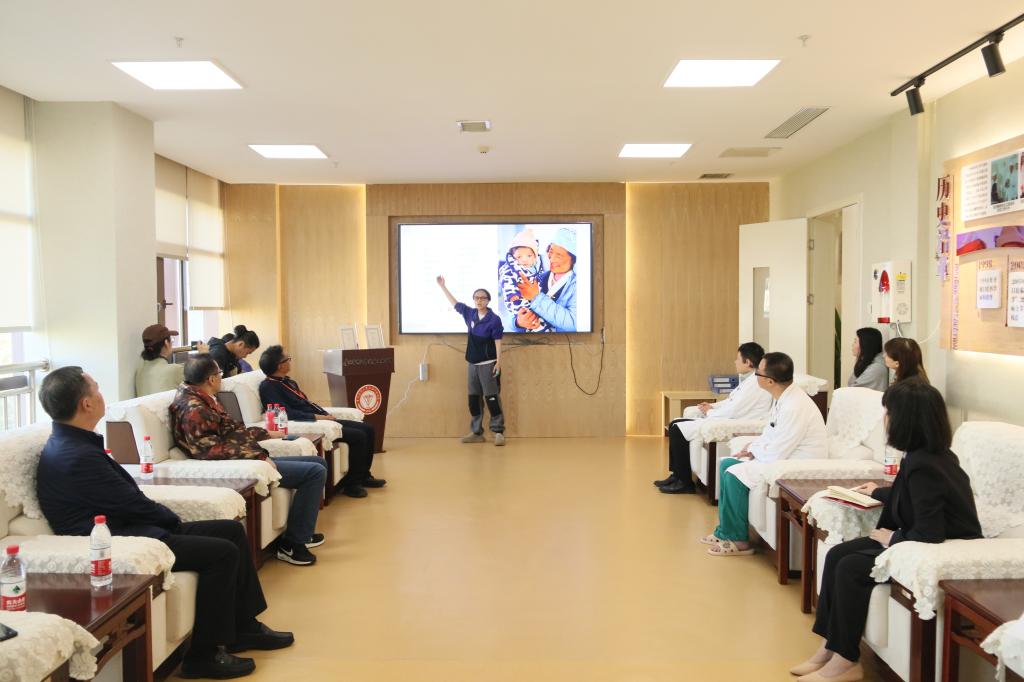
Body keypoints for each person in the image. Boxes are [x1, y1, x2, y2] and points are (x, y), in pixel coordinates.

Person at [36, 367, 293, 680]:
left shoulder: (75, 443)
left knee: (230, 531)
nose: (102, 395)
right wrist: (171, 520)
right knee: (222, 553)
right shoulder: (76, 455)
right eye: (96, 389)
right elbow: (130, 503)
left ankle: (243, 628)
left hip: (131, 525)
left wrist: (168, 519)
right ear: (86, 404)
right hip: (121, 539)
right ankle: (203, 655)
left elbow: (125, 499)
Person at [790, 379, 981, 682]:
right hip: (920, 536)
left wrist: (892, 538)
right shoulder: (926, 455)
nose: (885, 419)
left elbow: (930, 531)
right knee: (838, 555)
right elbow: (915, 496)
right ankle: (830, 646)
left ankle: (846, 660)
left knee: (850, 566)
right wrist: (878, 492)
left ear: (906, 419)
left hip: (940, 547)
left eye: (888, 412)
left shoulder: (925, 465)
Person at [169, 354, 327, 566]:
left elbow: (232, 431)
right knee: (315, 472)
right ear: (211, 379)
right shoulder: (194, 408)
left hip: (244, 455)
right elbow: (208, 451)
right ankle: (292, 544)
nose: (222, 378)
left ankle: (301, 531)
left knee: (318, 463)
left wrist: (265, 434)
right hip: (238, 465)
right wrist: (258, 457)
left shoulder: (203, 398)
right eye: (220, 374)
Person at [702, 352, 827, 557]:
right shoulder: (784, 397)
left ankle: (738, 540)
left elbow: (779, 450)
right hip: (784, 454)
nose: (755, 376)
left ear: (769, 381)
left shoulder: (795, 405)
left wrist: (755, 451)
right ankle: (725, 531)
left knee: (733, 474)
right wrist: (752, 447)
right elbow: (771, 432)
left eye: (758, 372)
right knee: (726, 464)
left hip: (796, 462)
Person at [257, 345, 385, 497]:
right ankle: (352, 484)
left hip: (320, 418)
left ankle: (364, 476)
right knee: (359, 436)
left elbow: (305, 402)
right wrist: (319, 417)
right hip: (311, 422)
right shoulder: (268, 387)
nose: (290, 361)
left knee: (368, 428)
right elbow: (286, 413)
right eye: (288, 359)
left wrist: (324, 415)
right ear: (280, 365)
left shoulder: (288, 382)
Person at [655, 342, 771, 494]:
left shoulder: (755, 384)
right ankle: (676, 475)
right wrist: (712, 406)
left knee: (676, 429)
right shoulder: (749, 381)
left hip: (733, 421)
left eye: (738, 359)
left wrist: (710, 412)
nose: (735, 362)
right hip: (726, 417)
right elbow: (731, 402)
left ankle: (684, 482)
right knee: (674, 424)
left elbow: (734, 410)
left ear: (748, 362)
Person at [435, 276, 506, 446]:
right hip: (472, 364)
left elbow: (498, 341)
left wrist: (498, 361)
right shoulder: (470, 313)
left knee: (492, 398)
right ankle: (476, 432)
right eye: (476, 298)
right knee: (474, 399)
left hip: (488, 364)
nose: (479, 300)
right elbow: (455, 304)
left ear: (488, 300)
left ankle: (498, 432)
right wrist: (443, 286)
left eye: (482, 298)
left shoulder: (494, 319)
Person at [515, 227, 578, 332]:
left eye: (559, 255)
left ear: (574, 259)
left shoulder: (578, 285)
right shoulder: (539, 277)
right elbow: (514, 308)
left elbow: (574, 323)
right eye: (550, 251)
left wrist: (536, 298)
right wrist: (518, 322)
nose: (551, 259)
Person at [498, 227, 549, 332]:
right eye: (519, 257)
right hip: (518, 300)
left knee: (538, 320)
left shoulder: (538, 267)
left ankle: (540, 328)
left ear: (535, 257)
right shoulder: (510, 269)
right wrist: (512, 294)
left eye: (529, 256)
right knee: (527, 318)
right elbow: (507, 281)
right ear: (513, 257)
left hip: (535, 301)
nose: (524, 260)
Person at [136, 324, 196, 397]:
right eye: (171, 340)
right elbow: (201, 386)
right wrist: (204, 355)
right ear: (166, 343)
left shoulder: (140, 371)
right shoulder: (175, 370)